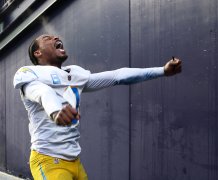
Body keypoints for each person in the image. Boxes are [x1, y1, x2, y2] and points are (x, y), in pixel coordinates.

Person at [13, 34, 182, 180]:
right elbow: (41, 92)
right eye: (47, 38)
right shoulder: (29, 73)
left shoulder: (74, 75)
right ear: (38, 53)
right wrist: (55, 110)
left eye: (54, 36)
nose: (55, 38)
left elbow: (116, 76)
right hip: (49, 160)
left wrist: (162, 71)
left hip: (74, 160)